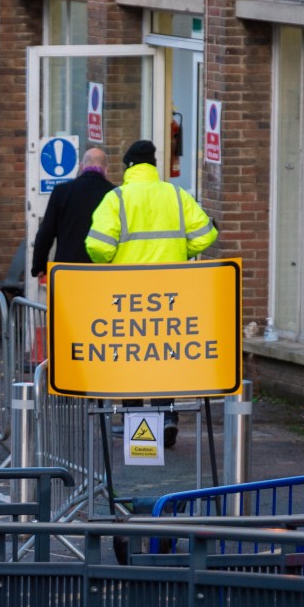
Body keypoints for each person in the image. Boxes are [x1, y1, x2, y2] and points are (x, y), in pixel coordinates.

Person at [86, 139, 218, 448]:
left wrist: (111, 261)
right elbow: (206, 234)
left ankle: (138, 431)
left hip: (127, 295)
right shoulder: (175, 194)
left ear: (128, 166)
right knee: (165, 352)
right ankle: (168, 416)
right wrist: (180, 252)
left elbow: (97, 246)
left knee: (133, 355)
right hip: (170, 291)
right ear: (153, 166)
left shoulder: (116, 198)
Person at [30, 147, 115, 279]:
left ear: (82, 166)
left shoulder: (61, 191)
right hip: (102, 271)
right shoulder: (114, 194)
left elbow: (46, 232)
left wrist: (39, 266)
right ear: (106, 169)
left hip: (66, 270)